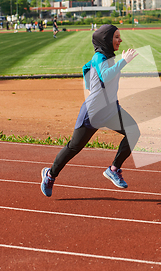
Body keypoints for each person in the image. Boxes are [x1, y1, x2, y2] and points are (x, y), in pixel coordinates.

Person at [40, 24, 140, 197]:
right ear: (106, 39)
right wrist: (124, 61)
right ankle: (50, 175)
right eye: (116, 37)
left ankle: (113, 169)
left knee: (133, 131)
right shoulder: (99, 57)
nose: (120, 40)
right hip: (93, 112)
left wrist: (89, 86)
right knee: (74, 147)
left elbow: (85, 68)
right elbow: (106, 76)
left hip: (110, 109)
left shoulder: (107, 57)